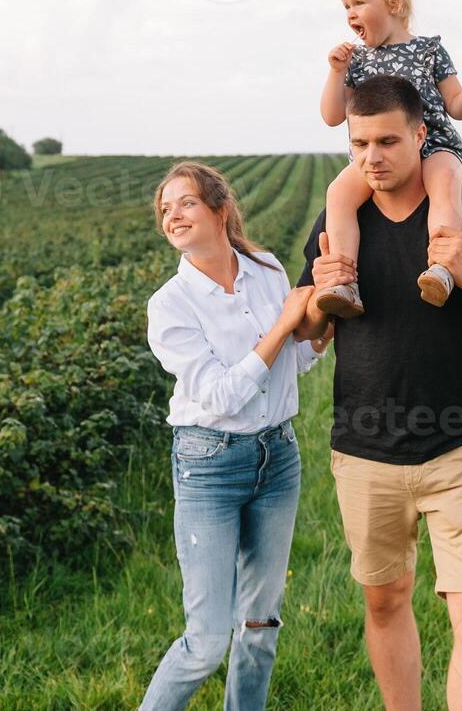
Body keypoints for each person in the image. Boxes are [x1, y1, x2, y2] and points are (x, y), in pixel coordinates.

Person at [293, 76, 462, 711]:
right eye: (359, 144)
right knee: (385, 602)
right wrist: (316, 293)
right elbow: (310, 332)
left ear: (422, 134)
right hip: (364, 454)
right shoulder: (340, 220)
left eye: (388, 140)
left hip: (461, 451)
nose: (373, 157)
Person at [139, 160, 333, 711]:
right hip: (210, 465)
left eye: (185, 203)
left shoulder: (268, 270)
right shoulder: (169, 306)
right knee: (205, 642)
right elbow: (222, 395)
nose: (172, 215)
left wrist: (322, 324)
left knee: (260, 623)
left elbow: (291, 362)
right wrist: (283, 324)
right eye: (165, 208)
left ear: (220, 210)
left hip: (279, 459)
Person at [315, 0, 462, 318]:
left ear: (392, 4)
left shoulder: (429, 50)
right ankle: (344, 282)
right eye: (345, 6)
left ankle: (443, 267)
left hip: (435, 147)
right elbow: (332, 116)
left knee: (443, 182)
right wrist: (336, 71)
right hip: (376, 157)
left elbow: (456, 106)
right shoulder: (356, 61)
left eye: (358, 3)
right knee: (338, 194)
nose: (350, 13)